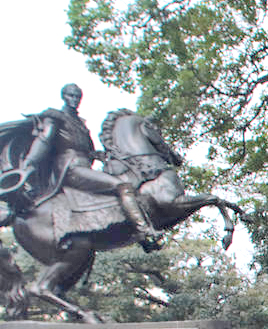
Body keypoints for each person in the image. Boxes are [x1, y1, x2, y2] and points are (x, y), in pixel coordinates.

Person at [11, 84, 161, 249]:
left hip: (84, 167)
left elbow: (85, 149)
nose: (75, 100)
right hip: (71, 168)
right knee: (121, 186)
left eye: (77, 97)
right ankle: (144, 230)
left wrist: (97, 155)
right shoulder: (55, 117)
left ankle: (132, 234)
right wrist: (29, 163)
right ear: (64, 96)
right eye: (71, 96)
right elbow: (44, 141)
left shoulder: (80, 123)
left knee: (115, 193)